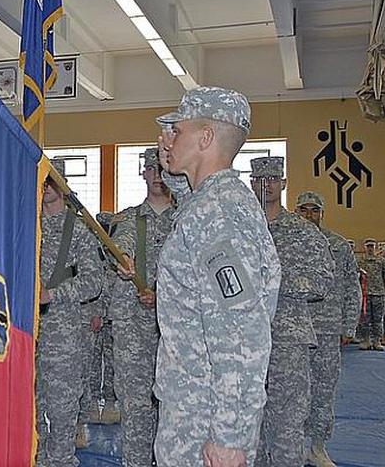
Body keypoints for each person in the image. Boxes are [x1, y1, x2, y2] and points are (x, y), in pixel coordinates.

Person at [152, 86, 282, 467]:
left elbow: (241, 333)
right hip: (195, 409)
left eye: (178, 130)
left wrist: (230, 437)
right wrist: (172, 166)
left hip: (204, 420)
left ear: (205, 138)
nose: (168, 138)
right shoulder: (212, 203)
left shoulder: (218, 214)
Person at [249, 159, 332, 467]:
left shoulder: (303, 232)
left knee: (287, 425)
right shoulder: (238, 229)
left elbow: (322, 280)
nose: (265, 184)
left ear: (283, 184)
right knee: (246, 425)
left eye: (272, 178)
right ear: (251, 183)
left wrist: (274, 284)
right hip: (242, 341)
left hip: (287, 338)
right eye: (259, 178)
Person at [107, 147, 174, 467]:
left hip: (175, 325)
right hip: (133, 323)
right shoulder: (129, 219)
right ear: (143, 173)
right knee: (135, 403)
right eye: (152, 169)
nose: (157, 175)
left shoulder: (187, 220)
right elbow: (120, 248)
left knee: (174, 402)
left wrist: (163, 296)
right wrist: (123, 260)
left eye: (162, 169)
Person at [35, 157, 104, 467]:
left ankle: (61, 461)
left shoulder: (78, 229)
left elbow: (93, 281)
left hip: (64, 334)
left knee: (62, 410)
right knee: (31, 408)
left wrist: (54, 294)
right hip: (28, 332)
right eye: (44, 181)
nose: (47, 187)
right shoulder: (25, 224)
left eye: (53, 181)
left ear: (62, 185)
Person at [295, 191, 361, 467]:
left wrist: (349, 324)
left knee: (324, 390)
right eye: (304, 210)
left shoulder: (338, 245)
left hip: (327, 329)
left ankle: (318, 447)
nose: (309, 215)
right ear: (297, 212)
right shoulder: (288, 242)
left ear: (322, 213)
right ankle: (293, 446)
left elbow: (351, 286)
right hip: (294, 329)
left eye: (314, 210)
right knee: (292, 390)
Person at [356, 239, 385, 350]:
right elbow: (355, 277)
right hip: (365, 294)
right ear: (365, 247)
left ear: (375, 247)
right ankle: (366, 340)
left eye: (372, 246)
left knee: (378, 319)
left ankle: (377, 341)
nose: (370, 248)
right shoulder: (360, 261)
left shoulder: (381, 261)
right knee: (364, 319)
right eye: (368, 246)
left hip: (379, 294)